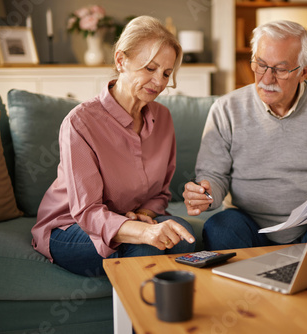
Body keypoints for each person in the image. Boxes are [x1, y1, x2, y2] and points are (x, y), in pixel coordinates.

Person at [32, 16, 195, 277]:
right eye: (149, 68)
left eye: (166, 73)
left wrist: (143, 215)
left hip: (128, 220)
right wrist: (143, 232)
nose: (160, 82)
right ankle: (139, 318)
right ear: (121, 61)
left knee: (185, 236)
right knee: (145, 249)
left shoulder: (162, 117)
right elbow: (87, 212)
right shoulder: (80, 122)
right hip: (71, 227)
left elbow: (160, 193)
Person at [183, 20, 307, 250]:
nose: (267, 79)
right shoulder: (226, 109)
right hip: (248, 224)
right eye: (260, 65)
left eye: (280, 69)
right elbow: (213, 176)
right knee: (220, 227)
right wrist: (205, 194)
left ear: (304, 70)